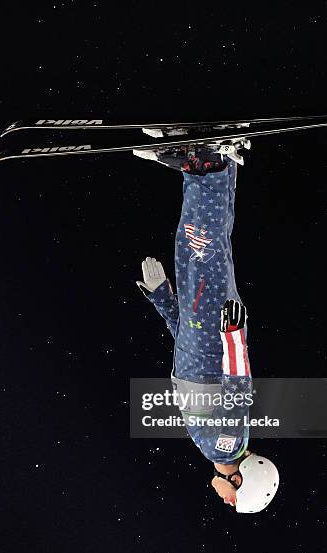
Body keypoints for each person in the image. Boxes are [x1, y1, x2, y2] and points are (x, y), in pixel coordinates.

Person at [134, 144, 279, 513]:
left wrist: (162, 298)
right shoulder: (225, 444)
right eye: (233, 499)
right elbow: (237, 385)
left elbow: (188, 363)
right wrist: (232, 337)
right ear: (239, 481)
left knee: (207, 249)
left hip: (200, 330)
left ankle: (219, 165)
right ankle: (207, 165)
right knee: (201, 247)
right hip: (215, 330)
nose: (224, 500)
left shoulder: (217, 444)